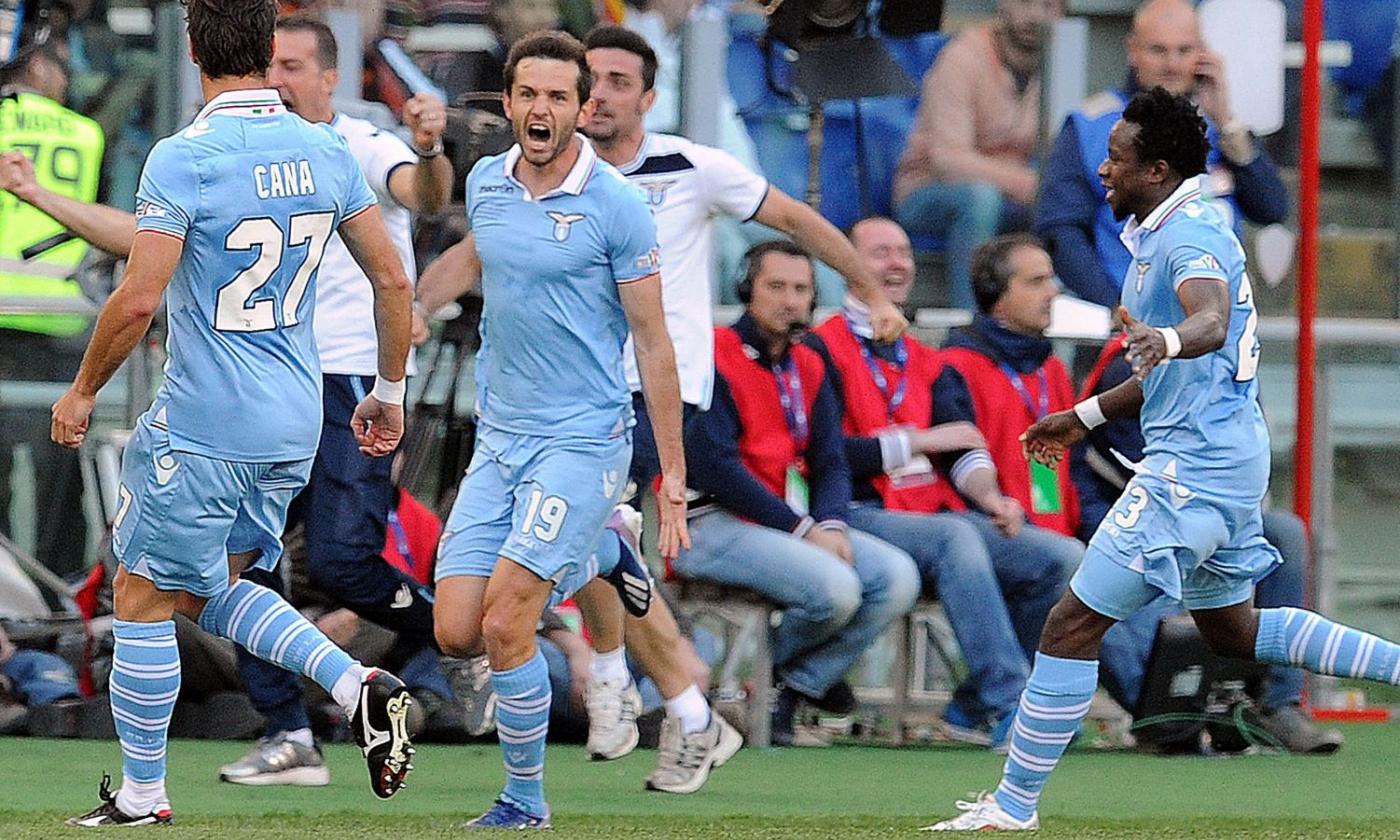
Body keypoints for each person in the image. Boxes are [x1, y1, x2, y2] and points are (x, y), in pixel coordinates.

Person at [413, 23, 904, 789]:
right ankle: (686, 711)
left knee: (556, 564)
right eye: (588, 79)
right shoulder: (514, 180)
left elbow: (795, 224)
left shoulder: (687, 170)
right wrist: (413, 310)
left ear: (643, 96)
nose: (597, 94)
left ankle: (615, 680)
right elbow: (477, 253)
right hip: (539, 405)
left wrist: (867, 287)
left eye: (610, 82)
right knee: (595, 560)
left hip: (651, 397)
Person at [3, 12, 464, 783]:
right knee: (213, 584)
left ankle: (143, 794)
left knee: (142, 591)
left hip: (207, 419)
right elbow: (393, 278)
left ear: (190, 50)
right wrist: (388, 391)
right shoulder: (324, 148)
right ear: (261, 52)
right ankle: (358, 686)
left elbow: (139, 296)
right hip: (294, 419)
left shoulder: (186, 155)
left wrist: (83, 391)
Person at [924, 88, 1400, 832]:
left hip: (1192, 471)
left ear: (1160, 167)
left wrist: (1168, 339)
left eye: (1117, 158)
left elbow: (1206, 319)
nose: (1104, 169)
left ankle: (1011, 808)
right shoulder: (1166, 226)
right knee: (1232, 633)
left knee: (1070, 623)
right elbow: (1169, 370)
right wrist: (1082, 416)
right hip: (1229, 457)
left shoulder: (1188, 240)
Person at [426, 31, 689, 830]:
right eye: (528, 95)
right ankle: (605, 550)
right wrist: (409, 316)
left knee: (509, 619)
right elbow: (474, 257)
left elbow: (653, 342)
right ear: (508, 104)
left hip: (581, 441)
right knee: (456, 630)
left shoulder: (616, 205)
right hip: (500, 437)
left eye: (558, 97)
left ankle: (523, 800)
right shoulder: (488, 182)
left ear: (582, 109)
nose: (541, 109)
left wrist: (671, 473)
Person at [807, 217, 1077, 748]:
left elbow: (963, 446)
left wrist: (990, 496)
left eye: (904, 252)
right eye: (879, 252)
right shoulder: (820, 349)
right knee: (957, 537)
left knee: (1061, 558)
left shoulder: (923, 357)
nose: (898, 263)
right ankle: (1012, 705)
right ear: (845, 267)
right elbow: (824, 456)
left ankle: (971, 707)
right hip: (855, 512)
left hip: (930, 515)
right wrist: (915, 442)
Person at [675, 240, 920, 747]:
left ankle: (782, 688)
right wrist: (804, 529)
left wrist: (829, 524)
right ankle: (774, 690)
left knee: (897, 578)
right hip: (708, 522)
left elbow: (830, 460)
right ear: (747, 290)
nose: (790, 300)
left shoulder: (808, 362)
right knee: (836, 590)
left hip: (783, 522)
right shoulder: (713, 352)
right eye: (776, 287)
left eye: (801, 289)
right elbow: (715, 468)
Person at [1076, 334, 1344, 753]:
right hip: (1135, 515)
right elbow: (1154, 473)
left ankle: (1277, 704)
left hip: (1207, 510)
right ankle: (1170, 715)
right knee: (1153, 569)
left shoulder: (1230, 359)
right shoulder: (1129, 367)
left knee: (1284, 533)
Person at [1035, 0, 1288, 307]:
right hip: (1129, 324)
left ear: (1202, 53)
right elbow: (1060, 231)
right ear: (1133, 50)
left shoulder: (1219, 127)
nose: (1172, 64)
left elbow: (1272, 209)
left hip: (1215, 321)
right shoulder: (1090, 125)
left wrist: (1227, 122)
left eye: (1184, 50)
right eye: (1158, 50)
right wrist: (1115, 307)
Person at [0, 38, 104, 578]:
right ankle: (60, 582)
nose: (67, 79)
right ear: (38, 64)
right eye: (63, 67)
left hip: (1, 317)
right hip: (65, 315)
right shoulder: (84, 132)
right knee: (59, 471)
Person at [891, 0, 1062, 310]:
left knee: (1071, 202)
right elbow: (948, 159)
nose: (1035, 15)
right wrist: (1024, 183)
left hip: (1013, 200)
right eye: (1025, 3)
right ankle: (975, 321)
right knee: (981, 199)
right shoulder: (962, 57)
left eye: (1049, 5)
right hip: (928, 191)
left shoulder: (1060, 59)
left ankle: (1064, 319)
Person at [936, 234, 1084, 546]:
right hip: (1001, 532)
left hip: (1063, 535)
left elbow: (1078, 469)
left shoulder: (1051, 368)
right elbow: (958, 473)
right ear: (997, 296)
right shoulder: (956, 367)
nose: (1053, 291)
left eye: (1051, 279)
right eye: (1036, 282)